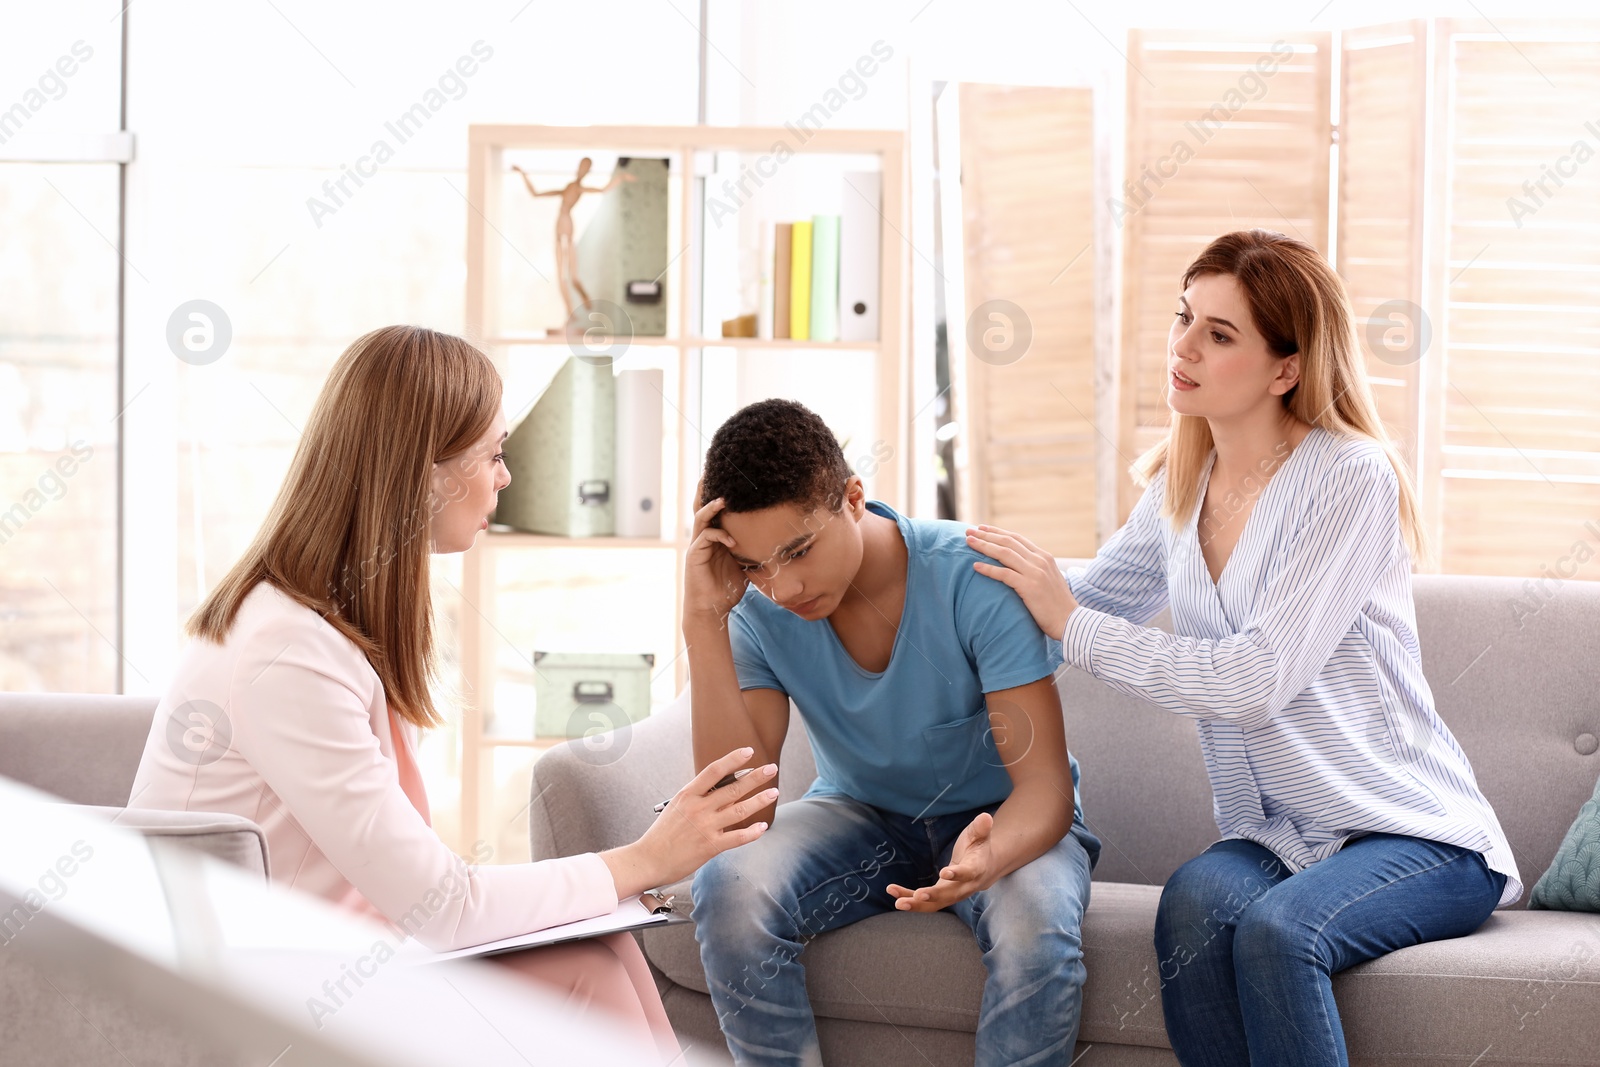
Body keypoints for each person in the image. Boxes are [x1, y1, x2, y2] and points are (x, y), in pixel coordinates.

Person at [128, 325, 770, 1062]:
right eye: (493, 454)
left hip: (325, 952)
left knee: (607, 954)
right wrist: (646, 858)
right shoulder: (287, 651)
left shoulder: (322, 621)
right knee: (584, 975)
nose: (505, 476)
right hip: (250, 987)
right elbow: (444, 905)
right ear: (424, 472)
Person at [968, 229, 1519, 1067]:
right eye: (1185, 318)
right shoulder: (1179, 488)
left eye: (1218, 334)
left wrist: (1067, 620)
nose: (1182, 347)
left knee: (1278, 929)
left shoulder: (1350, 477)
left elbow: (1254, 680)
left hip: (1416, 832)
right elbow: (1075, 606)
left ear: (1285, 367)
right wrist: (923, 586)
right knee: (1191, 906)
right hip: (1281, 833)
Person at [682, 398, 1102, 1066]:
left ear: (853, 497)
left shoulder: (974, 579)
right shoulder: (757, 611)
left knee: (1034, 930)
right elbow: (742, 808)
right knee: (726, 883)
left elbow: (1046, 789)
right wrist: (703, 621)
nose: (783, 586)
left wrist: (987, 860)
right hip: (860, 814)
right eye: (756, 566)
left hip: (1002, 817)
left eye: (797, 550)